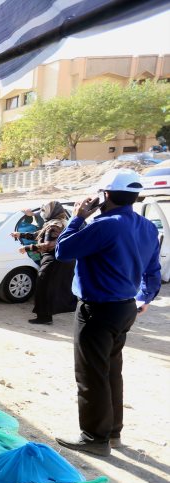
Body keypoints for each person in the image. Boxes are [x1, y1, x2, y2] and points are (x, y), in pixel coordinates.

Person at [53, 169, 161, 457]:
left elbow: (63, 251)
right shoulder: (147, 227)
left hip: (97, 309)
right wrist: (142, 300)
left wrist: (77, 216)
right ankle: (113, 432)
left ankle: (94, 437)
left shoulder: (105, 224)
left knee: (91, 374)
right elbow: (152, 273)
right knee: (112, 371)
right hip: (125, 308)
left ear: (105, 195)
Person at [11, 200, 76, 324]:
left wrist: (27, 248)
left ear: (51, 212)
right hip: (62, 259)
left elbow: (48, 245)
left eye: (44, 210)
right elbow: (39, 234)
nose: (42, 213)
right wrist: (20, 234)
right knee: (50, 288)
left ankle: (44, 317)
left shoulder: (54, 225)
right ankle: (46, 315)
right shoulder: (59, 222)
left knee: (43, 287)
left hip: (53, 260)